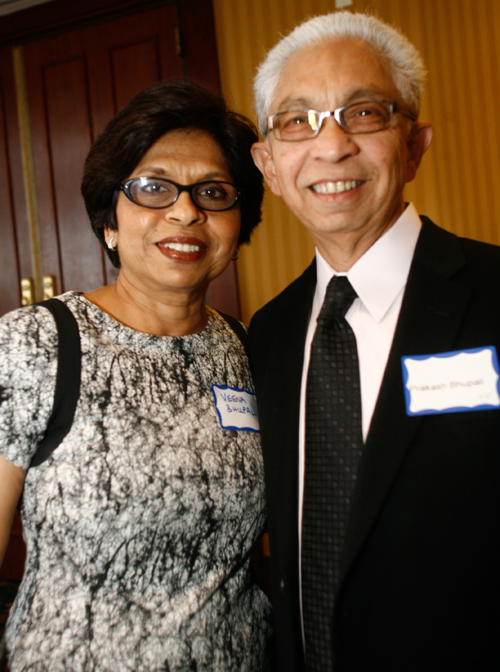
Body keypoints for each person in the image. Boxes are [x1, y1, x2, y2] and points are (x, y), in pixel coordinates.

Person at [248, 10, 500, 672]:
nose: (331, 148)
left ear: (415, 145)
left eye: (362, 113)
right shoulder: (266, 336)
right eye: (297, 121)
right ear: (269, 165)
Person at [0, 80, 273, 671]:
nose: (185, 211)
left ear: (237, 224)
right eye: (153, 188)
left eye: (213, 191)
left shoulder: (250, 350)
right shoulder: (35, 344)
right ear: (110, 223)